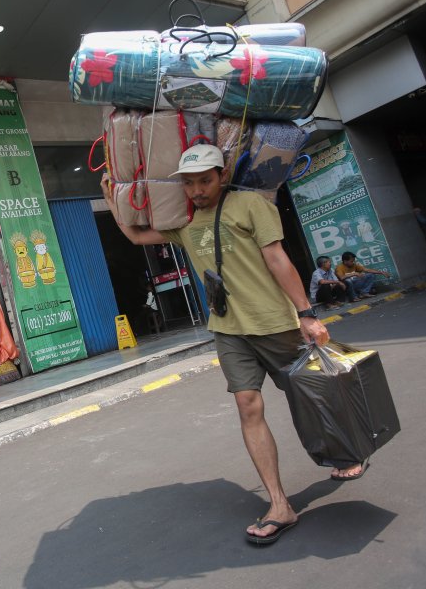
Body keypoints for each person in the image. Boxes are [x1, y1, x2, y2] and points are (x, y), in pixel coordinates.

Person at [101, 143, 361, 546]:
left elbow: (277, 259)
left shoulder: (250, 205)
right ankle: (279, 504)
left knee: (309, 396)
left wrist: (307, 313)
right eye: (189, 184)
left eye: (205, 180)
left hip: (274, 322)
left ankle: (346, 452)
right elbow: (136, 236)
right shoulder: (182, 221)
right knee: (247, 404)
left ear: (221, 175)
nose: (197, 190)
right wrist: (112, 199)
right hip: (228, 327)